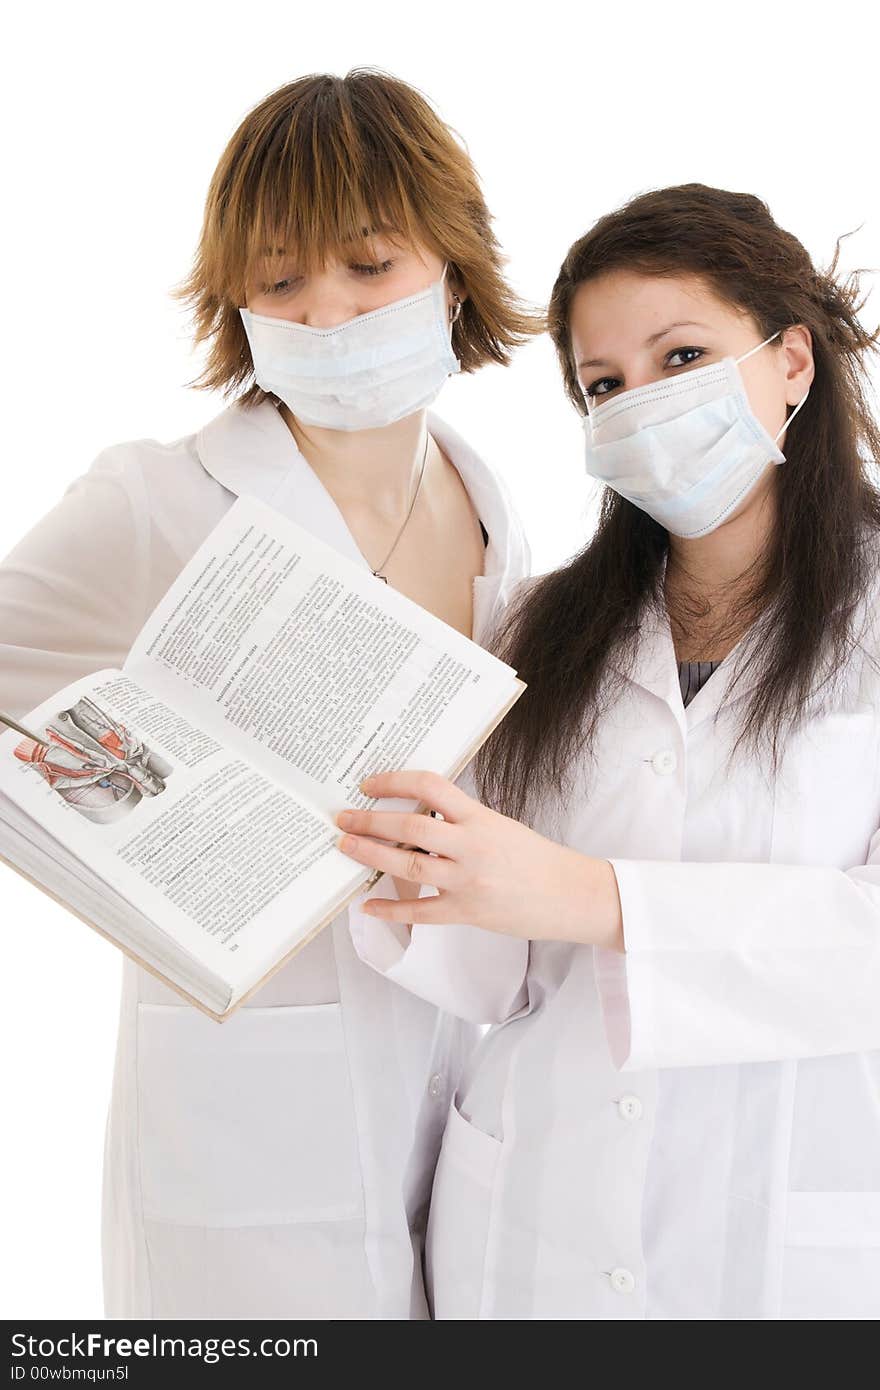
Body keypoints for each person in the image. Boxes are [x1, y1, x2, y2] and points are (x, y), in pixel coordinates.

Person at [0, 69, 539, 1319]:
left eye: (367, 263)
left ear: (450, 272)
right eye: (280, 277)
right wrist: (118, 798)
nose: (327, 311)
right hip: (245, 1093)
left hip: (454, 1067)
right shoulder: (154, 497)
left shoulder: (490, 500)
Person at [335, 183, 880, 1319]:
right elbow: (493, 967)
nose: (643, 404)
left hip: (784, 1244)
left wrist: (596, 898)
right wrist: (397, 861)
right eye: (604, 385)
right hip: (530, 1227)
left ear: (792, 361)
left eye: (682, 354)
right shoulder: (536, 628)